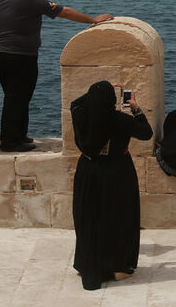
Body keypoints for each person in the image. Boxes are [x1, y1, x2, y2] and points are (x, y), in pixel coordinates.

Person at [0, 0, 113, 152]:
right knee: (16, 97)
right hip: (22, 57)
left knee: (17, 96)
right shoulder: (33, 0)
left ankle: (19, 135)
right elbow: (64, 11)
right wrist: (93, 20)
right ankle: (9, 142)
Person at [70, 81, 152, 291]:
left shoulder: (81, 117)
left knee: (89, 219)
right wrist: (135, 108)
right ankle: (117, 266)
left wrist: (98, 89)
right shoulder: (121, 120)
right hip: (117, 173)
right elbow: (146, 133)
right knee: (118, 218)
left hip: (88, 172)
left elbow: (75, 103)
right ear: (112, 101)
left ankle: (88, 264)